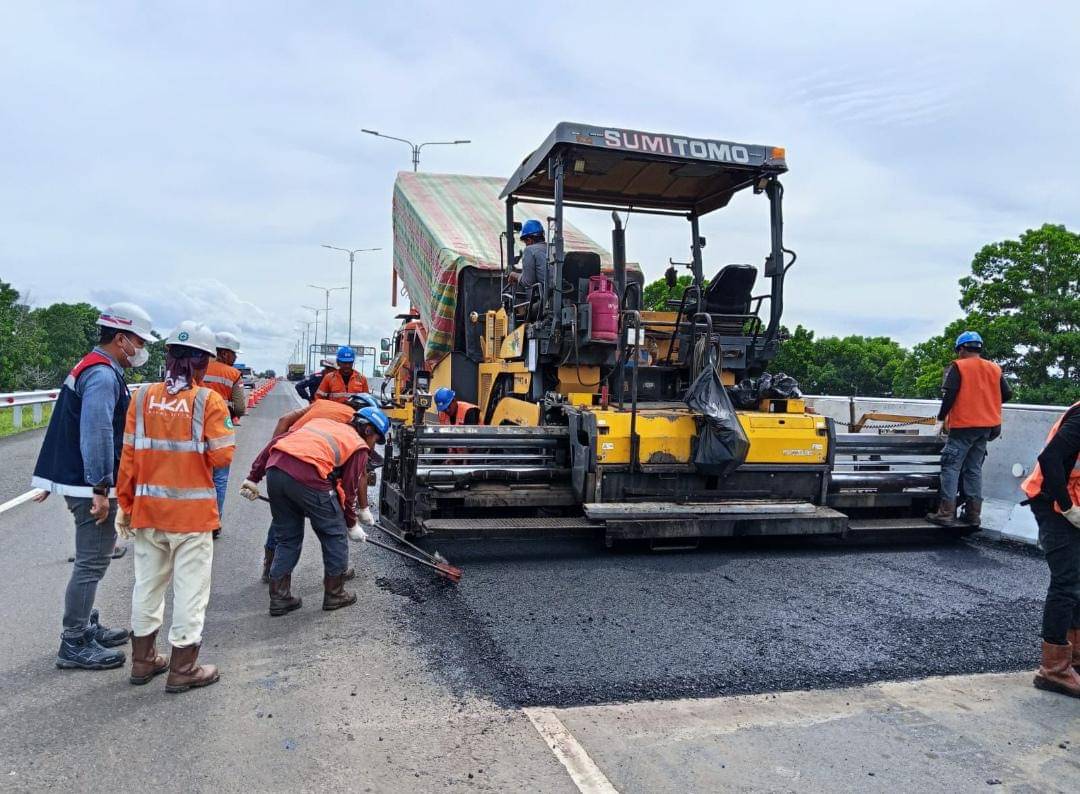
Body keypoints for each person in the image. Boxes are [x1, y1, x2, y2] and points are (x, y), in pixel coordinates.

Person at [32, 302, 156, 671]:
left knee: (92, 560)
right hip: (90, 486)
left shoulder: (96, 366)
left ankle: (85, 625)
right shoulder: (102, 375)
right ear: (121, 339)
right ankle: (74, 641)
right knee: (91, 562)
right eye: (139, 340)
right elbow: (97, 432)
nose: (142, 348)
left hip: (79, 480)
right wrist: (100, 488)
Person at [116, 321, 234, 693]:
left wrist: (125, 504)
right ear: (205, 364)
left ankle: (142, 661)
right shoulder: (207, 400)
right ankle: (183, 668)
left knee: (147, 587)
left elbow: (129, 456)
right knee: (190, 592)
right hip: (192, 517)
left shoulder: (142, 397)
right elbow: (222, 456)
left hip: (148, 512)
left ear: (168, 357)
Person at [240, 406, 389, 616]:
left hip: (276, 472)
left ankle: (280, 598)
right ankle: (335, 594)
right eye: (376, 439)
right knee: (334, 533)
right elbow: (348, 490)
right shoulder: (358, 446)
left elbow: (276, 442)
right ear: (367, 430)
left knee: (287, 538)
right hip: (308, 477)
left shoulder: (322, 423)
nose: (374, 445)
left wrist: (253, 478)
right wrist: (350, 523)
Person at [257, 394, 379, 583]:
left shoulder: (321, 405)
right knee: (334, 526)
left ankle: (271, 569)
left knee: (285, 523)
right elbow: (357, 476)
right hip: (310, 470)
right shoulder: (352, 426)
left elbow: (284, 421)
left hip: (281, 459)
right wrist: (356, 515)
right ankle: (337, 578)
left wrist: (273, 460)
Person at [1022, 400, 1080, 697]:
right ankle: (1053, 670)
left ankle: (1074, 658)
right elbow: (1050, 458)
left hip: (1073, 503)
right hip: (1053, 502)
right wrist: (1069, 509)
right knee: (1067, 581)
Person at [927, 331, 1012, 527]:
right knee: (973, 470)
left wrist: (941, 418)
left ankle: (946, 513)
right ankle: (973, 515)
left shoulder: (959, 366)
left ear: (962, 349)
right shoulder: (994, 368)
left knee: (951, 467)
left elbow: (949, 395)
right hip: (986, 428)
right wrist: (987, 403)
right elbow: (1007, 394)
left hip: (963, 427)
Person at [203, 331, 247, 540]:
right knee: (219, 478)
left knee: (195, 475)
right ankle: (213, 523)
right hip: (219, 429)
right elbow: (240, 408)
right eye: (234, 354)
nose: (236, 358)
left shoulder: (196, 366)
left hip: (191, 428)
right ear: (224, 353)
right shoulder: (232, 374)